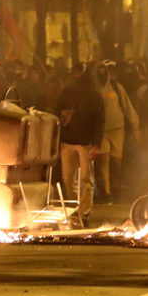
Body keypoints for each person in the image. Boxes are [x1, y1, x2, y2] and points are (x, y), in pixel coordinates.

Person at [56, 64, 105, 226]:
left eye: (79, 73)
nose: (77, 76)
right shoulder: (67, 91)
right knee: (68, 179)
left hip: (86, 143)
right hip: (68, 141)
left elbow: (100, 120)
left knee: (86, 179)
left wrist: (96, 143)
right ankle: (73, 210)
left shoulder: (94, 95)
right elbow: (57, 112)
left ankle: (83, 212)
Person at [93, 60, 138, 203]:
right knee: (103, 161)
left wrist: (135, 125)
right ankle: (106, 193)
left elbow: (127, 106)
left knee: (116, 162)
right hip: (101, 132)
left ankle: (115, 189)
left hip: (118, 130)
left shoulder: (117, 88)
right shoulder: (93, 89)